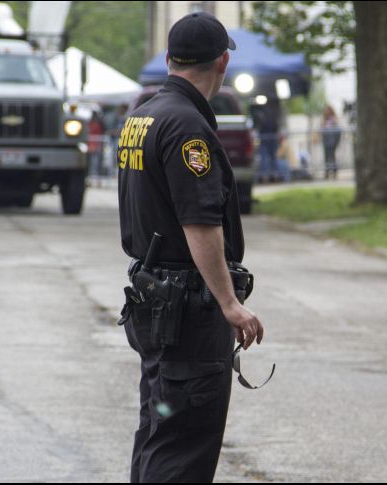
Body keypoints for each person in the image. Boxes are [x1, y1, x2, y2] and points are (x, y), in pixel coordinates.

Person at [117, 11, 264, 483]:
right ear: (222, 62)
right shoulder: (187, 129)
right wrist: (229, 303)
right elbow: (200, 224)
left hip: (155, 299)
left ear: (168, 59)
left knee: (159, 432)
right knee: (183, 448)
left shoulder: (142, 117)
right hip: (187, 311)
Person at [321, 104, 341, 179]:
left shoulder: (333, 119)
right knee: (326, 157)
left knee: (332, 156)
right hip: (326, 141)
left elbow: (337, 131)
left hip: (332, 141)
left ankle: (334, 171)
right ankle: (327, 172)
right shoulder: (324, 119)